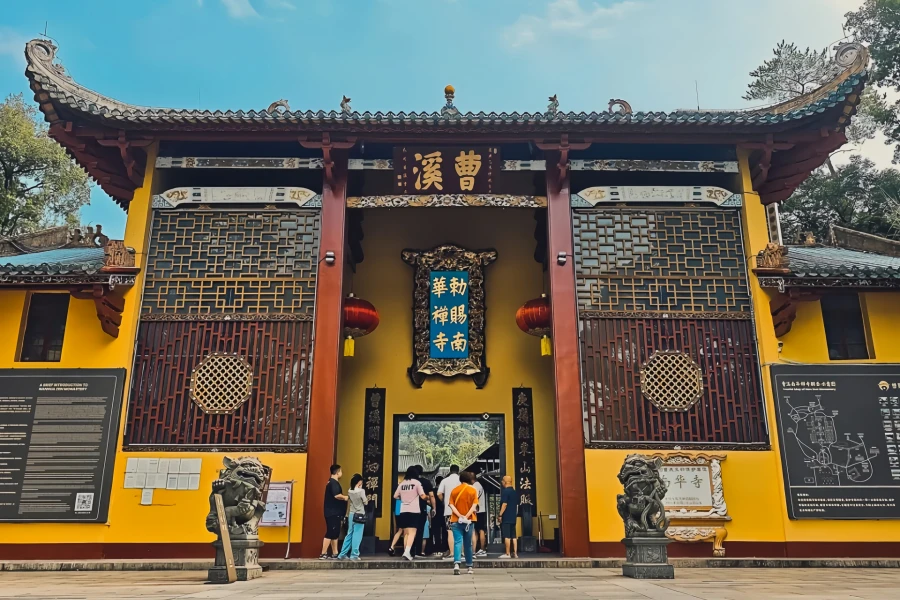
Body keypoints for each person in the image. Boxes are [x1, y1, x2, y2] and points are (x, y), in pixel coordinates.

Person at [393, 466, 427, 561]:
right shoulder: (416, 483)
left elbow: (395, 496)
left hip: (403, 510)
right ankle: (407, 552)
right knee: (412, 532)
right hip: (414, 510)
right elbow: (423, 496)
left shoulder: (402, 484)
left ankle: (405, 551)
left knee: (406, 533)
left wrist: (403, 499)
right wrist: (427, 498)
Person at [448, 470, 478, 576]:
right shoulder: (473, 490)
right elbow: (474, 506)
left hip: (456, 520)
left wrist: (459, 515)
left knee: (457, 542)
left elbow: (451, 505)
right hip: (469, 520)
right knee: (468, 544)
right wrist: (466, 516)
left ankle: (457, 564)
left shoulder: (454, 490)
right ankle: (469, 566)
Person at [337, 473, 367, 561]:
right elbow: (365, 502)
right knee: (357, 534)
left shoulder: (350, 490)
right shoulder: (361, 491)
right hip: (359, 514)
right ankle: (354, 554)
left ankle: (342, 554)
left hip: (351, 514)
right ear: (359, 482)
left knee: (349, 534)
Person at [320, 464, 347, 560]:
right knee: (331, 532)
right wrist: (345, 497)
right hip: (332, 512)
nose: (341, 473)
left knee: (335, 533)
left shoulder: (331, 482)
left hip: (335, 512)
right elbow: (337, 495)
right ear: (337, 472)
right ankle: (323, 553)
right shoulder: (333, 483)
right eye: (341, 471)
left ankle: (335, 553)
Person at [436, 465, 460, 559]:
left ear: (450, 471)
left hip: (449, 510)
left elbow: (439, 493)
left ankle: (452, 553)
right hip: (461, 511)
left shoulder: (445, 480)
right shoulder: (461, 480)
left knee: (450, 531)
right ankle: (461, 552)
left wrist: (444, 501)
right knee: (461, 531)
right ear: (458, 471)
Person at [412, 465, 436, 557]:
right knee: (420, 530)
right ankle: (418, 551)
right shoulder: (426, 482)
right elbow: (432, 496)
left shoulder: (409, 482)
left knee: (411, 530)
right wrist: (434, 508)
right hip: (422, 508)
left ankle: (410, 550)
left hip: (410, 509)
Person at [498, 475, 519, 559]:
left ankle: (507, 553)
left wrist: (500, 515)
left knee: (507, 535)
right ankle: (515, 553)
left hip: (506, 516)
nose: (501, 482)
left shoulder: (505, 492)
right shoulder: (514, 492)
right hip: (513, 516)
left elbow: (504, 504)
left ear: (505, 482)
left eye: (502, 481)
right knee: (513, 535)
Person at [472, 473, 487, 557]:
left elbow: (474, 497)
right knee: (477, 530)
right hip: (480, 511)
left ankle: (482, 549)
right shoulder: (477, 485)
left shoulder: (476, 486)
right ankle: (477, 549)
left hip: (478, 511)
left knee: (480, 530)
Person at [432, 475, 446, 555]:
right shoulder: (443, 492)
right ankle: (444, 547)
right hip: (444, 512)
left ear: (435, 482)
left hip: (435, 513)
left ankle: (436, 548)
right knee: (445, 531)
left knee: (436, 531)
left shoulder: (433, 491)